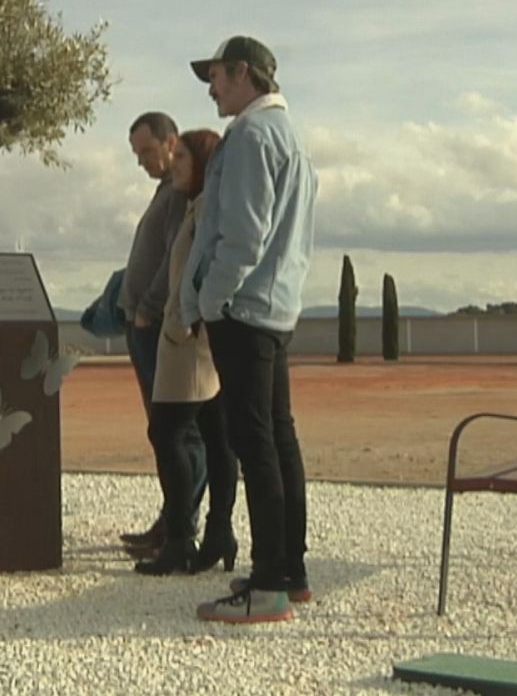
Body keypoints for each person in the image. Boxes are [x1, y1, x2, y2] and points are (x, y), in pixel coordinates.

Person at [181, 36, 318, 625]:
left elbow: (241, 236)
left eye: (215, 76)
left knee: (254, 443)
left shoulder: (251, 137)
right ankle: (289, 572)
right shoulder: (290, 136)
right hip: (275, 308)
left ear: (243, 73)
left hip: (244, 310)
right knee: (277, 438)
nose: (210, 89)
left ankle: (266, 588)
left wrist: (211, 301)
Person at [135, 128, 239, 576]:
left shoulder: (206, 210)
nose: (173, 166)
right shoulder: (196, 206)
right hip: (189, 337)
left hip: (189, 342)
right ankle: (217, 533)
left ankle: (180, 538)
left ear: (202, 164)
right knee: (215, 436)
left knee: (168, 433)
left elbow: (203, 271)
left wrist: (182, 318)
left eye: (182, 159)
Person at [116, 112, 200, 555]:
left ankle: (179, 525)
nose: (142, 162)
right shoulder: (165, 190)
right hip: (142, 325)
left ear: (171, 142)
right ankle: (171, 520)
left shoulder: (180, 193)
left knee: (176, 433)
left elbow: (174, 258)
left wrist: (147, 310)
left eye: (147, 151)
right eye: (137, 155)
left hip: (156, 328)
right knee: (163, 431)